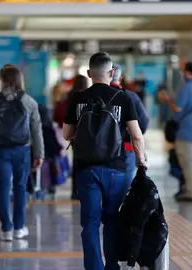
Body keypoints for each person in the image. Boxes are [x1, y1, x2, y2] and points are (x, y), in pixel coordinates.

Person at [62, 52, 147, 270]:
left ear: (89, 74)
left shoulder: (77, 98)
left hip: (86, 168)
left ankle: (94, 267)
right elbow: (136, 135)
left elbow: (66, 133)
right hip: (115, 168)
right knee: (111, 218)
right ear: (111, 73)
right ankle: (111, 266)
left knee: (89, 222)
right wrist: (141, 161)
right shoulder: (124, 97)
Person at [0, 64, 44, 241]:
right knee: (20, 187)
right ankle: (19, 228)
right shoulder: (29, 101)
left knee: (3, 188)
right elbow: (36, 130)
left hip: (1, 150)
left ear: (2, 80)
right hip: (22, 150)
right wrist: (39, 154)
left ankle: (6, 229)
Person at [159, 62, 192, 202]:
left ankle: (191, 193)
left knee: (188, 162)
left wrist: (167, 100)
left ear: (188, 73)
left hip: (187, 130)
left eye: (183, 73)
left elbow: (177, 109)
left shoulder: (187, 88)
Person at [110, 64, 149, 188]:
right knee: (123, 189)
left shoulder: (94, 96)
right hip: (126, 148)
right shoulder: (131, 97)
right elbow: (143, 123)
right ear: (120, 78)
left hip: (98, 151)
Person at [53, 74, 89, 200]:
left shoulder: (68, 98)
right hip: (88, 135)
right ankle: (86, 189)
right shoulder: (89, 98)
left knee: (76, 162)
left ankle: (75, 190)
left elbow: (57, 116)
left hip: (73, 135)